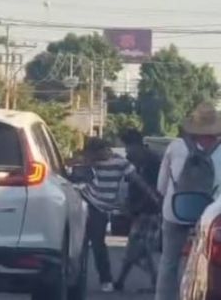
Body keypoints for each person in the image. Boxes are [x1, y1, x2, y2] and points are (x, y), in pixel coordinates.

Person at [156, 103, 221, 300]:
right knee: (210, 263)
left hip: (175, 212)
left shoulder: (175, 147)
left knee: (168, 262)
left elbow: (161, 186)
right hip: (209, 218)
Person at [80, 137, 160, 294]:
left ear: (103, 150)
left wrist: (154, 197)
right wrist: (86, 164)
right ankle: (79, 276)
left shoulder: (121, 163)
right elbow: (80, 172)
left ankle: (106, 279)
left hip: (102, 207)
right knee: (81, 242)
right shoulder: (91, 163)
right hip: (87, 200)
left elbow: (139, 181)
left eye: (94, 155)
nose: (93, 158)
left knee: (97, 243)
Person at [113, 129, 162, 294]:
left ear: (136, 146)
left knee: (141, 247)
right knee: (136, 246)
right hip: (141, 211)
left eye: (128, 147)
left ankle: (157, 280)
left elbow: (153, 189)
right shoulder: (137, 161)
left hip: (151, 210)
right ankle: (121, 280)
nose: (127, 152)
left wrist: (137, 207)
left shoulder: (153, 162)